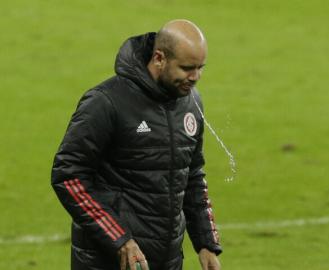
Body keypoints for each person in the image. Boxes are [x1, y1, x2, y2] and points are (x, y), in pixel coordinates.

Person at [51, 19, 222, 270]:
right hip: (109, 260)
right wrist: (119, 239)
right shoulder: (105, 102)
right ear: (159, 58)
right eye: (187, 68)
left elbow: (192, 174)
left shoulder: (190, 102)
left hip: (167, 260)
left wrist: (206, 243)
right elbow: (68, 175)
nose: (195, 77)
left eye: (200, 68)